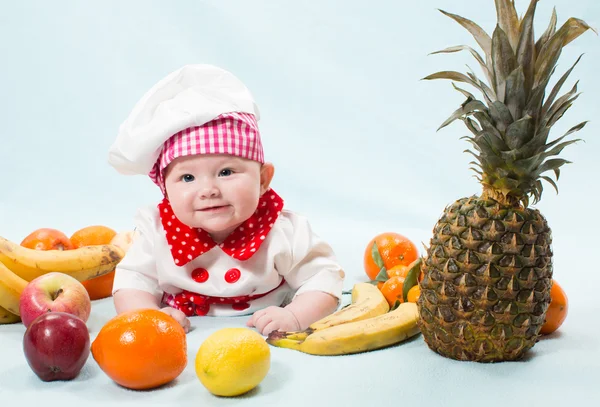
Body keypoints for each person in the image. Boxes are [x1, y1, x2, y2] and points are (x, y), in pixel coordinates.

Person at [107, 64, 345, 335]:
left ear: (263, 179)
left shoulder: (283, 231)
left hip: (257, 334)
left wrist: (295, 316)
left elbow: (323, 277)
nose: (208, 190)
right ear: (164, 189)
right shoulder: (157, 231)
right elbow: (131, 281)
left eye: (226, 172)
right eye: (187, 178)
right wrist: (150, 318)